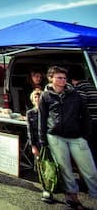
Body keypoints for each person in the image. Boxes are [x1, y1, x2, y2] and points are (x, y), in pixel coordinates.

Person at [37, 65, 97, 209]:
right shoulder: (45, 96)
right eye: (59, 78)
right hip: (56, 137)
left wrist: (85, 135)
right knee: (65, 169)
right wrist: (42, 140)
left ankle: (95, 194)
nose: (63, 80)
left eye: (64, 78)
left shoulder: (75, 93)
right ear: (50, 78)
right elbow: (42, 119)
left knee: (90, 170)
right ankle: (73, 199)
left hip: (77, 136)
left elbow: (85, 115)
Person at [25, 88, 54, 203]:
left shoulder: (49, 111)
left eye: (39, 97)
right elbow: (29, 132)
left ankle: (55, 185)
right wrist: (33, 146)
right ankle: (46, 190)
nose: (37, 99)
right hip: (37, 143)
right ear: (32, 100)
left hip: (51, 142)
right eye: (35, 97)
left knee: (53, 166)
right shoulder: (30, 113)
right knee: (42, 167)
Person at [69, 67, 97, 163]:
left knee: (90, 150)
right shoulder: (92, 85)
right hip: (95, 120)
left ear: (72, 79)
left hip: (89, 123)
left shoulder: (79, 88)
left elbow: (80, 107)